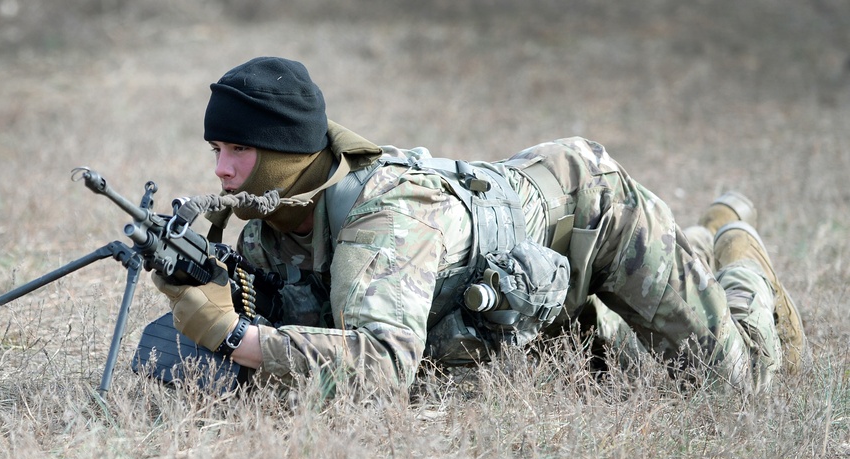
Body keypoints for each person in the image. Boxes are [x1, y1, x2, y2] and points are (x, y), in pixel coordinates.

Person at [152, 56, 805, 394]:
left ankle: (727, 243)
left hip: (596, 214)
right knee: (617, 372)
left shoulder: (385, 217)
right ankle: (662, 278)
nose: (224, 173)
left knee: (735, 379)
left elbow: (382, 365)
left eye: (240, 152)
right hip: (520, 274)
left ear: (288, 156)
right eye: (217, 151)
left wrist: (233, 334)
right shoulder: (270, 225)